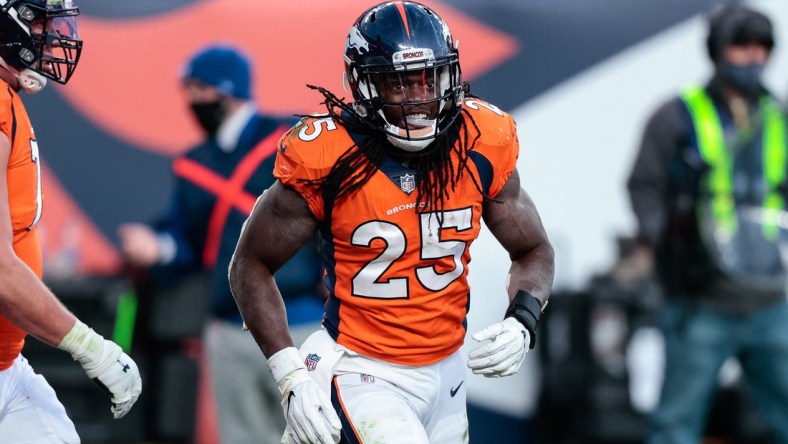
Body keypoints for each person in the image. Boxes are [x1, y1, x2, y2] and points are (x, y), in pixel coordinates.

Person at [228, 2, 555, 443]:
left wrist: (523, 319)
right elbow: (250, 264)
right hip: (361, 368)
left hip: (448, 371)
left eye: (428, 78)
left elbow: (534, 249)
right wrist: (288, 373)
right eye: (398, 84)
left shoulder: (481, 139)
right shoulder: (330, 154)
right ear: (363, 86)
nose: (419, 99)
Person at [118, 43, 325, 443]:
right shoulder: (193, 163)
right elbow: (188, 240)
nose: (189, 100)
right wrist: (157, 247)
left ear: (224, 89)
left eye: (196, 88)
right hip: (229, 327)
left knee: (318, 431)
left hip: (300, 320)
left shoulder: (290, 141)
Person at [626, 3, 788, 443]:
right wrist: (667, 244)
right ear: (717, 51)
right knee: (676, 425)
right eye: (741, 46)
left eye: (762, 47)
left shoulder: (779, 117)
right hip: (700, 300)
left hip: (771, 299)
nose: (753, 57)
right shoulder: (677, 116)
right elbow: (644, 186)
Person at [0, 0, 142, 441]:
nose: (52, 35)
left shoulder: (8, 98)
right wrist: (90, 347)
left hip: (8, 367)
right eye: (39, 21)